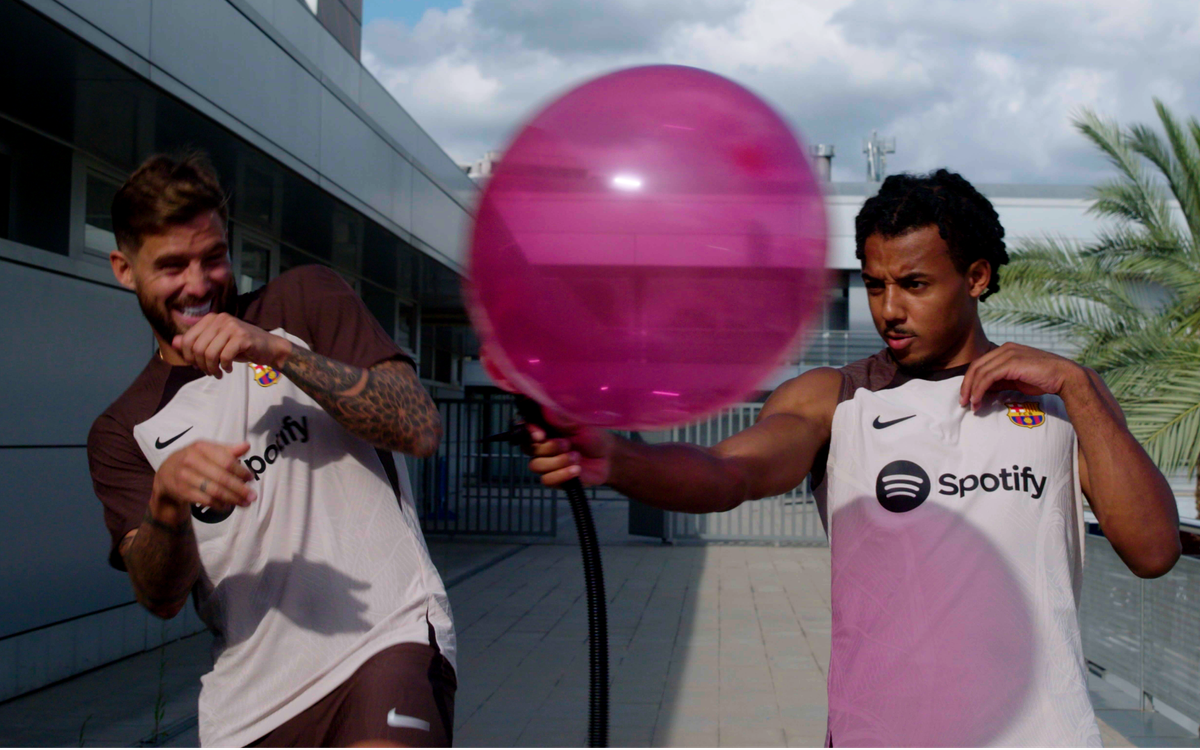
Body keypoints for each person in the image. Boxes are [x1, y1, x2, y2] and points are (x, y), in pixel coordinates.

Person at [518, 169, 1181, 746]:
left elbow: (1153, 551)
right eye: (874, 285)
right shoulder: (835, 398)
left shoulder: (1065, 400)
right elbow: (729, 474)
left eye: (914, 284)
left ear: (976, 278)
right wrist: (617, 460)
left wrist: (1076, 384)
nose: (890, 310)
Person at [87, 153, 456, 748]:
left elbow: (419, 427)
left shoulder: (304, 300)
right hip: (251, 709)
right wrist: (167, 501)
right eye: (172, 266)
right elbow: (160, 597)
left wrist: (280, 353)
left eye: (213, 257)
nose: (199, 284)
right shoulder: (123, 428)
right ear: (124, 269)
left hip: (386, 642)